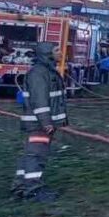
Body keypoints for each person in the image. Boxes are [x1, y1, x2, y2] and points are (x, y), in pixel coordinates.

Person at [12, 43, 68, 202]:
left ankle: (20, 186)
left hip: (41, 123)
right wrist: (46, 122)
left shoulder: (47, 71)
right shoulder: (39, 74)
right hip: (39, 124)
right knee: (37, 156)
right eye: (56, 50)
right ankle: (33, 190)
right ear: (46, 54)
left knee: (31, 155)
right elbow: (40, 100)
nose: (61, 53)